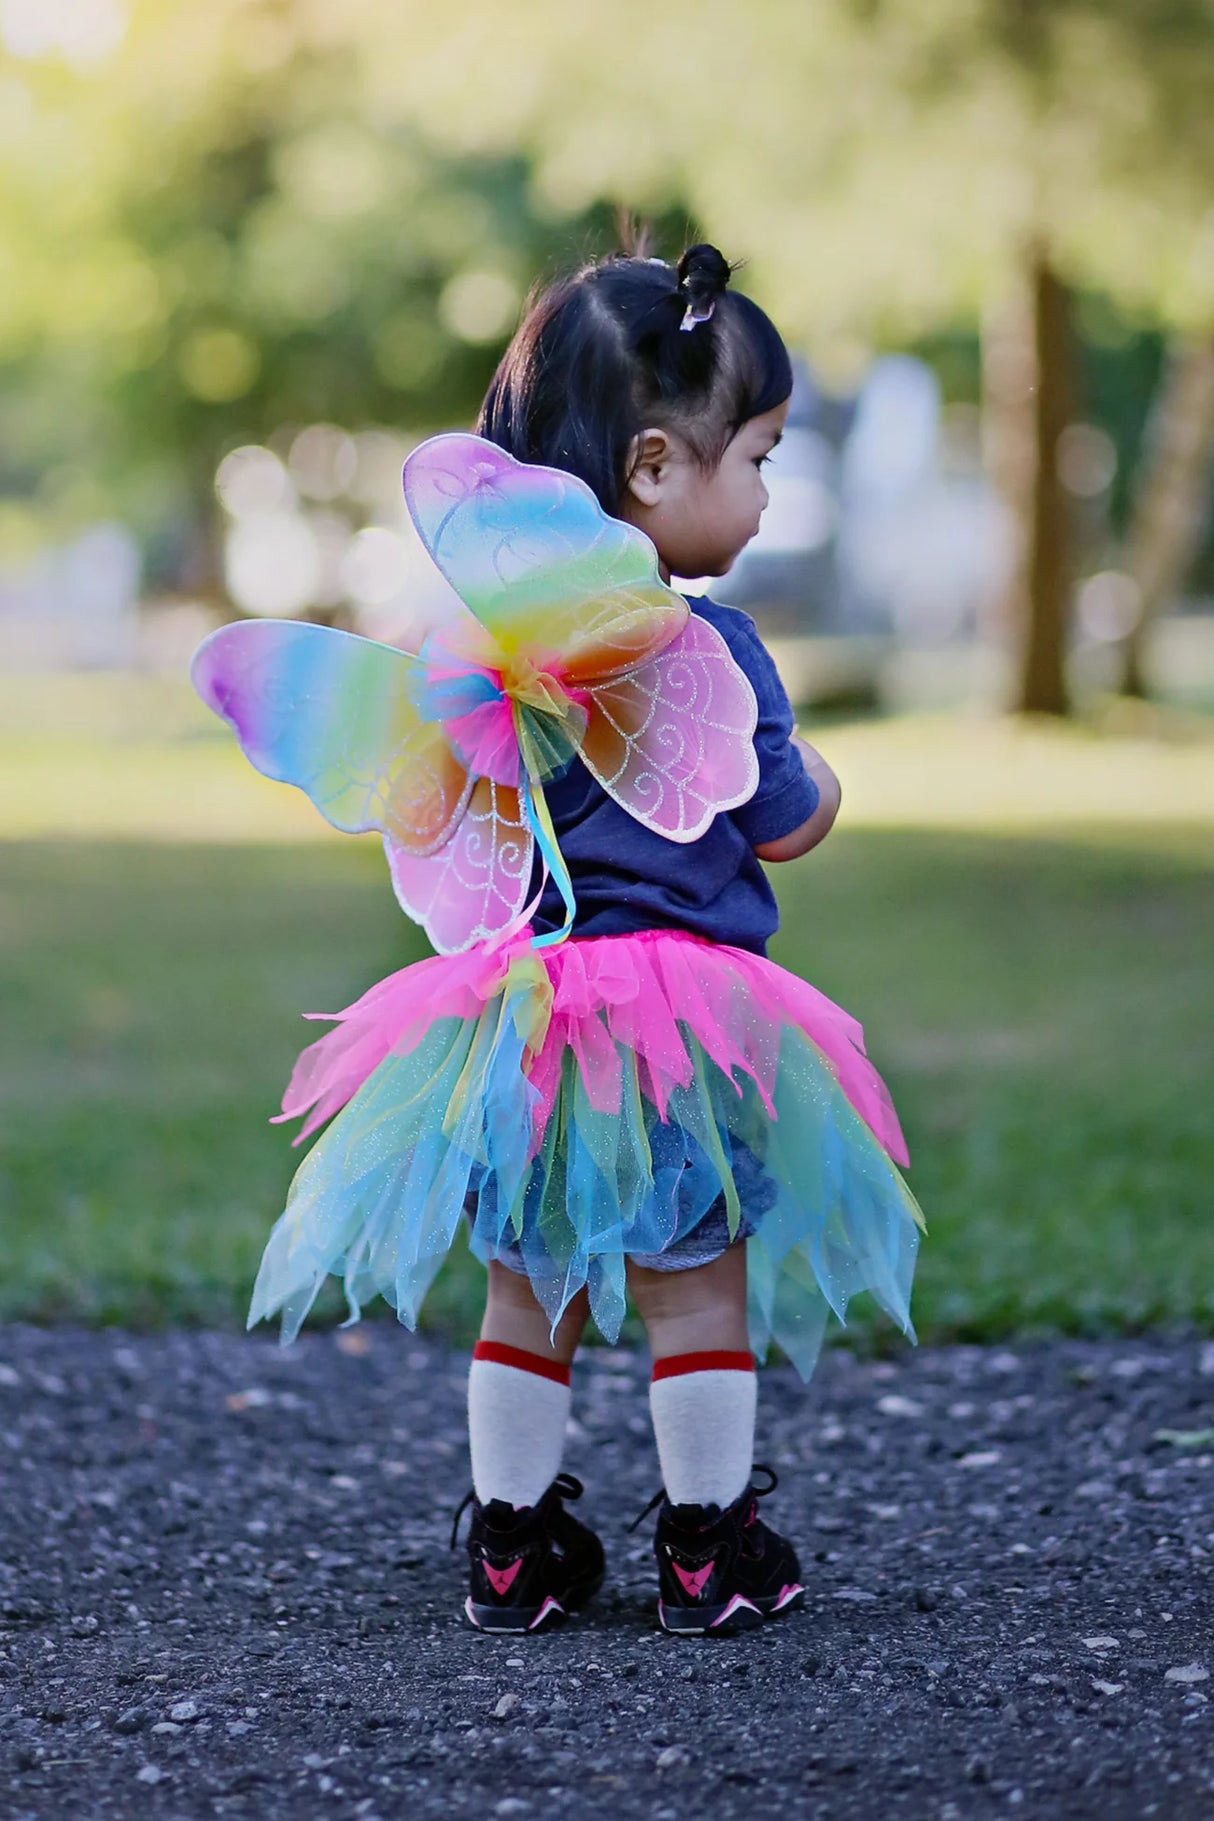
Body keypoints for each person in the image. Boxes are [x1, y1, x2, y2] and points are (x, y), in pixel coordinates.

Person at [224, 244, 923, 1638]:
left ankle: (511, 1546)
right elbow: (782, 821)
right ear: (655, 467)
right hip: (672, 1026)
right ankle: (706, 1548)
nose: (766, 494)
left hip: (522, 1021)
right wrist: (827, 782)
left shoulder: (482, 660)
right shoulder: (709, 650)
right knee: (693, 1282)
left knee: (526, 1286)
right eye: (759, 458)